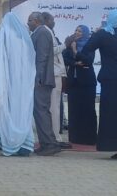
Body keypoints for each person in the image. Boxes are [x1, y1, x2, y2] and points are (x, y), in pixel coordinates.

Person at [77, 10, 117, 160]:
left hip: (112, 78)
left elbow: (86, 50)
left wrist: (77, 52)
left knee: (114, 112)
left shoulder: (103, 34)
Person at [0, 13, 36, 156]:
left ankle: (8, 142)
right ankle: (24, 145)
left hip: (6, 81)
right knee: (21, 111)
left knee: (7, 110)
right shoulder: (23, 38)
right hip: (22, 83)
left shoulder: (3, 35)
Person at [27, 12, 60, 156]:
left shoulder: (41, 33)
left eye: (29, 21)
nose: (28, 23)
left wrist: (38, 76)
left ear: (36, 21)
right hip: (42, 79)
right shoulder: (39, 32)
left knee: (41, 112)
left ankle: (50, 144)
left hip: (42, 80)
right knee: (39, 111)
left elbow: (42, 57)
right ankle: (46, 143)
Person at [63, 25, 97, 146]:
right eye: (76, 30)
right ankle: (75, 137)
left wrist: (76, 52)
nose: (77, 33)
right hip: (73, 82)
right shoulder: (70, 44)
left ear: (85, 34)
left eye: (80, 31)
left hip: (87, 83)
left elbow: (88, 61)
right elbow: (64, 59)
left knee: (88, 110)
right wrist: (75, 63)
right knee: (74, 110)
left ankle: (89, 138)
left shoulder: (90, 45)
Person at [43, 13, 70, 149]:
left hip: (57, 73)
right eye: (52, 20)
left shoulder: (49, 32)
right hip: (52, 74)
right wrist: (65, 44)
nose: (54, 22)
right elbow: (51, 51)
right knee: (54, 107)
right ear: (46, 20)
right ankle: (54, 138)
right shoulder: (45, 32)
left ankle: (56, 136)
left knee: (56, 107)